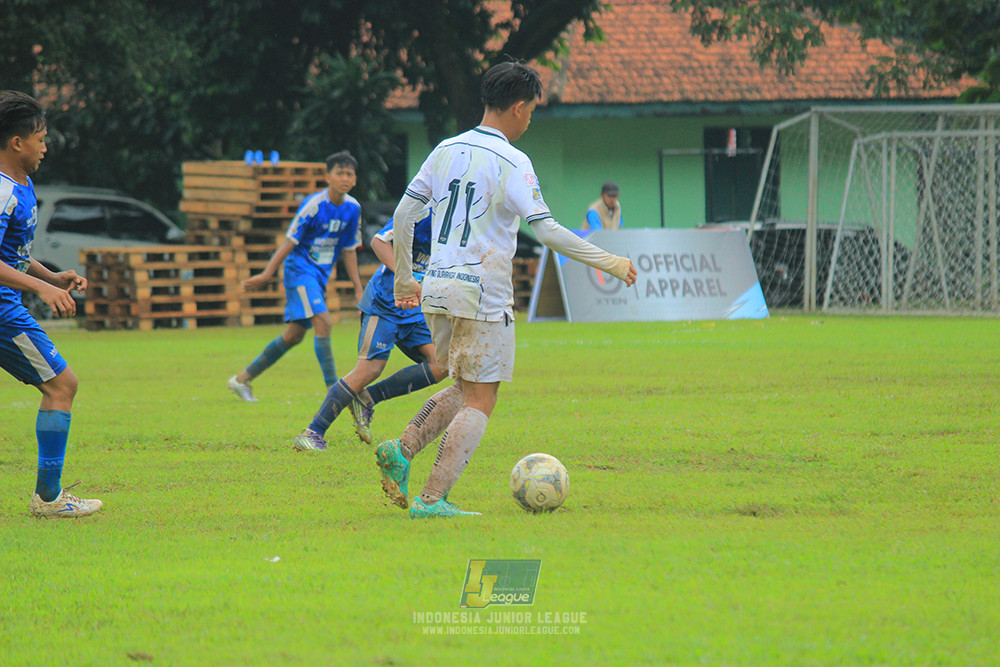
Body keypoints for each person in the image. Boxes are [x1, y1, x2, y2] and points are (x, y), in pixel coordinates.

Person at [374, 61, 637, 519]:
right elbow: (548, 231)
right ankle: (432, 499)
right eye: (531, 110)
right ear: (518, 107)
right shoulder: (514, 161)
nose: (530, 120)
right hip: (481, 292)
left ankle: (402, 448)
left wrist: (402, 277)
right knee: (482, 397)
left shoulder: (445, 149)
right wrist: (609, 261)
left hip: (436, 288)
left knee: (463, 385)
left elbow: (402, 215)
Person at [0, 90, 102, 518]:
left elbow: (12, 254)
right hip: (2, 310)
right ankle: (48, 498)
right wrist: (41, 291)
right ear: (16, 142)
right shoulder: (3, 190)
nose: (46, 146)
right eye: (40, 138)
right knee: (61, 385)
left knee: (62, 385)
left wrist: (50, 277)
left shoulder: (22, 184)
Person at [291, 208, 448, 451]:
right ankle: (312, 433)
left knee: (441, 364)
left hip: (415, 307)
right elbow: (379, 242)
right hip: (384, 303)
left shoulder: (463, 218)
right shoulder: (422, 208)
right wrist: (405, 277)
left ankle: (367, 399)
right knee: (369, 368)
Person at [227, 151, 364, 401]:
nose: (345, 178)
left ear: (355, 179)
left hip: (319, 276)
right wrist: (267, 274)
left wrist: (358, 287)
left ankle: (241, 379)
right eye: (339, 173)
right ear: (328, 177)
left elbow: (349, 249)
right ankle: (333, 392)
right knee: (324, 321)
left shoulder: (353, 208)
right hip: (299, 271)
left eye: (349, 174)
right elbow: (289, 242)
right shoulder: (314, 206)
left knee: (294, 335)